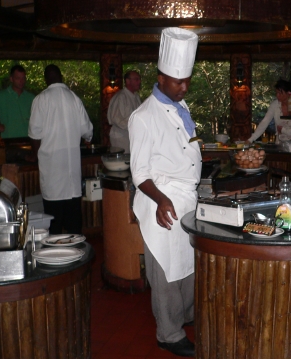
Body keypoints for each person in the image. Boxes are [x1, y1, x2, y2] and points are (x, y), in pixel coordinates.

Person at [128, 28, 200, 357]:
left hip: (186, 200)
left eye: (186, 80)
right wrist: (160, 199)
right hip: (162, 201)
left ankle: (184, 317)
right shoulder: (143, 117)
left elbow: (186, 146)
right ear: (161, 78)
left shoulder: (180, 107)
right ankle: (168, 334)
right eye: (178, 82)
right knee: (166, 271)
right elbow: (140, 172)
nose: (184, 87)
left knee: (186, 264)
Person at [28, 64, 93, 235]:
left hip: (52, 170)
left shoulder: (41, 99)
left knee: (54, 221)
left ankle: (55, 250)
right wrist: (87, 139)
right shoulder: (74, 98)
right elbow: (87, 130)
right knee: (74, 222)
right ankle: (76, 249)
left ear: (46, 80)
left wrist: (34, 154)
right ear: (61, 77)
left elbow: (34, 133)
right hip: (72, 174)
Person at [246, 78, 291, 143]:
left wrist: (284, 130)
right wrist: (251, 139)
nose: (277, 95)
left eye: (280, 93)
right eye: (276, 93)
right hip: (280, 143)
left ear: (288, 93)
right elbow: (264, 122)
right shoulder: (275, 105)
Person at [0, 64, 35, 138]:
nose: (21, 81)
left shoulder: (31, 98)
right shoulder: (0, 96)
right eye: (18, 78)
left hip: (28, 140)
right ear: (11, 79)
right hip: (8, 140)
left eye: (23, 78)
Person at [107, 70, 142, 153]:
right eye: (136, 79)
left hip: (132, 136)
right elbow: (116, 119)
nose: (139, 82)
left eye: (139, 79)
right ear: (128, 81)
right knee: (123, 160)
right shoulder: (121, 97)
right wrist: (134, 127)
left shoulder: (136, 97)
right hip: (121, 137)